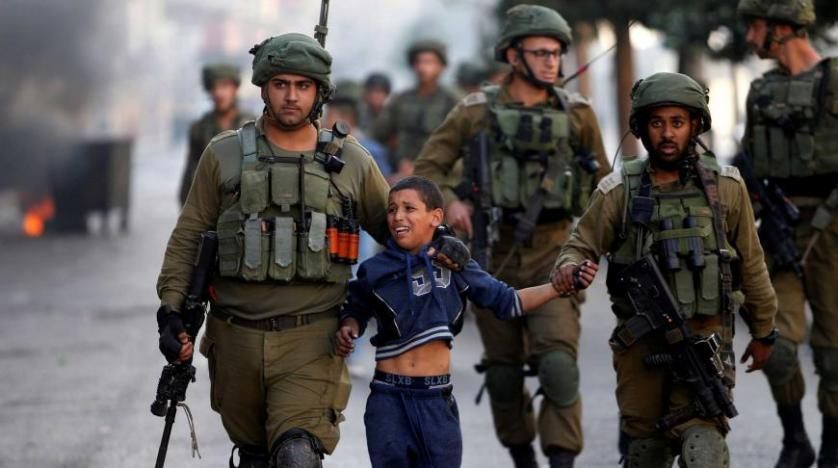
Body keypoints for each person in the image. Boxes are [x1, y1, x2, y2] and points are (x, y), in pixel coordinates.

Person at [155, 33, 469, 468]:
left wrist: (441, 241)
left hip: (313, 340)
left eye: (303, 86)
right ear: (263, 88)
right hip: (234, 339)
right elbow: (189, 235)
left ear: (319, 92)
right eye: (280, 84)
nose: (291, 96)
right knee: (255, 456)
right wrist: (171, 310)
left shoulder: (351, 161)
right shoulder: (223, 154)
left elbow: (396, 227)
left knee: (297, 455)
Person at [414, 5, 609, 467]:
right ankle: (522, 456)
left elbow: (605, 190)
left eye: (556, 53)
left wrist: (596, 246)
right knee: (502, 376)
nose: (551, 62)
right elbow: (427, 170)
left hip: (555, 252)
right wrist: (450, 203)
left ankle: (561, 460)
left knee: (558, 366)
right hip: (490, 254)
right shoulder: (475, 112)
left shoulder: (577, 114)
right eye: (540, 52)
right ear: (513, 55)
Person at [551, 72, 778, 467]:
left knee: (704, 448)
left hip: (705, 340)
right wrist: (571, 269)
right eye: (657, 123)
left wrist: (764, 330)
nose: (668, 133)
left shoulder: (726, 188)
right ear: (642, 128)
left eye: (678, 122)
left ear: (696, 125)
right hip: (642, 345)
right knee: (646, 450)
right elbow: (578, 246)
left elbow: (752, 264)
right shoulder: (619, 191)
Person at [335, 176, 562, 468]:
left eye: (409, 208)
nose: (398, 216)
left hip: (436, 400)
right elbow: (355, 309)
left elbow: (507, 301)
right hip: (387, 400)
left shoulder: (455, 264)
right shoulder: (374, 270)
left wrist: (558, 287)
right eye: (391, 209)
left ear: (435, 217)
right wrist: (349, 327)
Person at [737, 1, 838, 466]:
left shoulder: (834, 80)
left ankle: (833, 443)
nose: (749, 37)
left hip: (832, 230)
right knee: (774, 342)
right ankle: (795, 438)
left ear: (780, 28)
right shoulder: (761, 91)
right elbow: (749, 164)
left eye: (755, 27)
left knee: (834, 352)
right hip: (779, 231)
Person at [370, 39, 460, 181]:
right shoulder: (400, 100)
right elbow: (378, 134)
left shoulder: (452, 101)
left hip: (439, 175)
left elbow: (457, 144)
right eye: (418, 62)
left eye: (429, 62)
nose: (422, 67)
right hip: (401, 171)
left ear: (441, 67)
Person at [179, 62, 255, 206]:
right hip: (209, 206)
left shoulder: (252, 126)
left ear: (235, 88)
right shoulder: (199, 129)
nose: (219, 93)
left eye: (224, 86)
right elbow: (190, 174)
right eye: (214, 87)